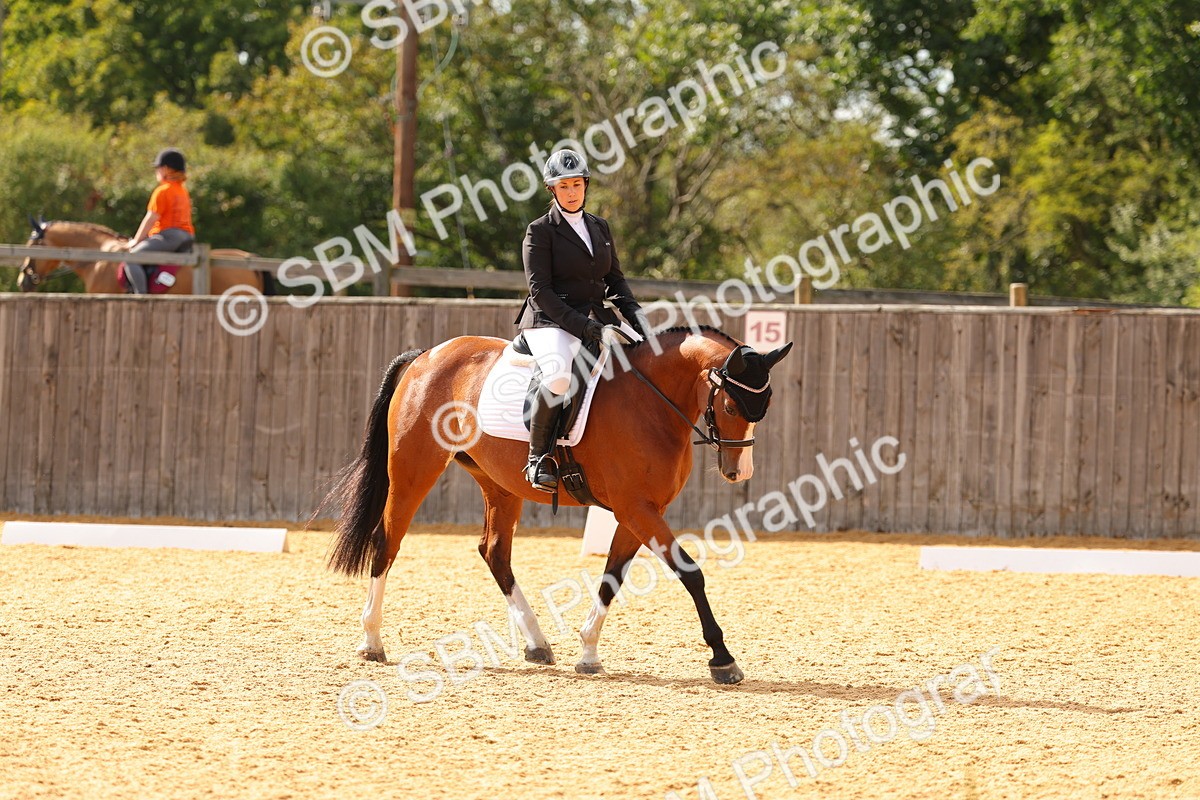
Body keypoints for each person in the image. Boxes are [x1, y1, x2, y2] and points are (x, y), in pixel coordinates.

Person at [515, 148, 649, 492]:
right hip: (550, 320)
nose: (572, 192)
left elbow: (615, 282)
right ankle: (538, 458)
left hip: (596, 318)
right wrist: (583, 326)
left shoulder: (600, 227)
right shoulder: (539, 231)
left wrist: (639, 321)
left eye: (577, 184)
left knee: (643, 360)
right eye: (564, 186)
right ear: (552, 190)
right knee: (559, 377)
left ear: (586, 185)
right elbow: (540, 291)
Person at [123, 148, 195, 294]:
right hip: (187, 237)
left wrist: (136, 240)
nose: (157, 171)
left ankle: (141, 298)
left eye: (158, 167)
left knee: (131, 258)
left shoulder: (162, 191)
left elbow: (151, 218)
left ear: (166, 169)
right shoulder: (183, 191)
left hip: (169, 236)